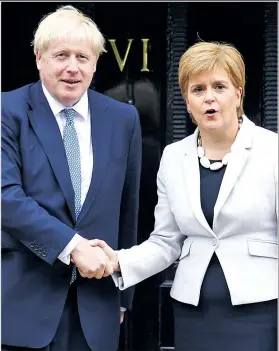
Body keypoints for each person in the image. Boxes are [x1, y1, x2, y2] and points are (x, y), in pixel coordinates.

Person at [92, 41, 278, 351]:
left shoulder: (271, 150)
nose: (210, 98)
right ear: (188, 102)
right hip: (194, 312)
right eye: (198, 89)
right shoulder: (173, 156)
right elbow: (165, 242)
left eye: (220, 86)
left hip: (262, 310)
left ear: (238, 94)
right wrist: (116, 261)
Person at [1, 5, 141, 351]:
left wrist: (123, 295)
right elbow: (5, 195)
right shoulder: (8, 111)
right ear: (39, 58)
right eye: (61, 55)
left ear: (95, 63)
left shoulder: (123, 119)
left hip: (97, 309)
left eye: (83, 56)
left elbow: (129, 209)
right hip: (23, 305)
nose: (72, 68)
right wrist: (73, 246)